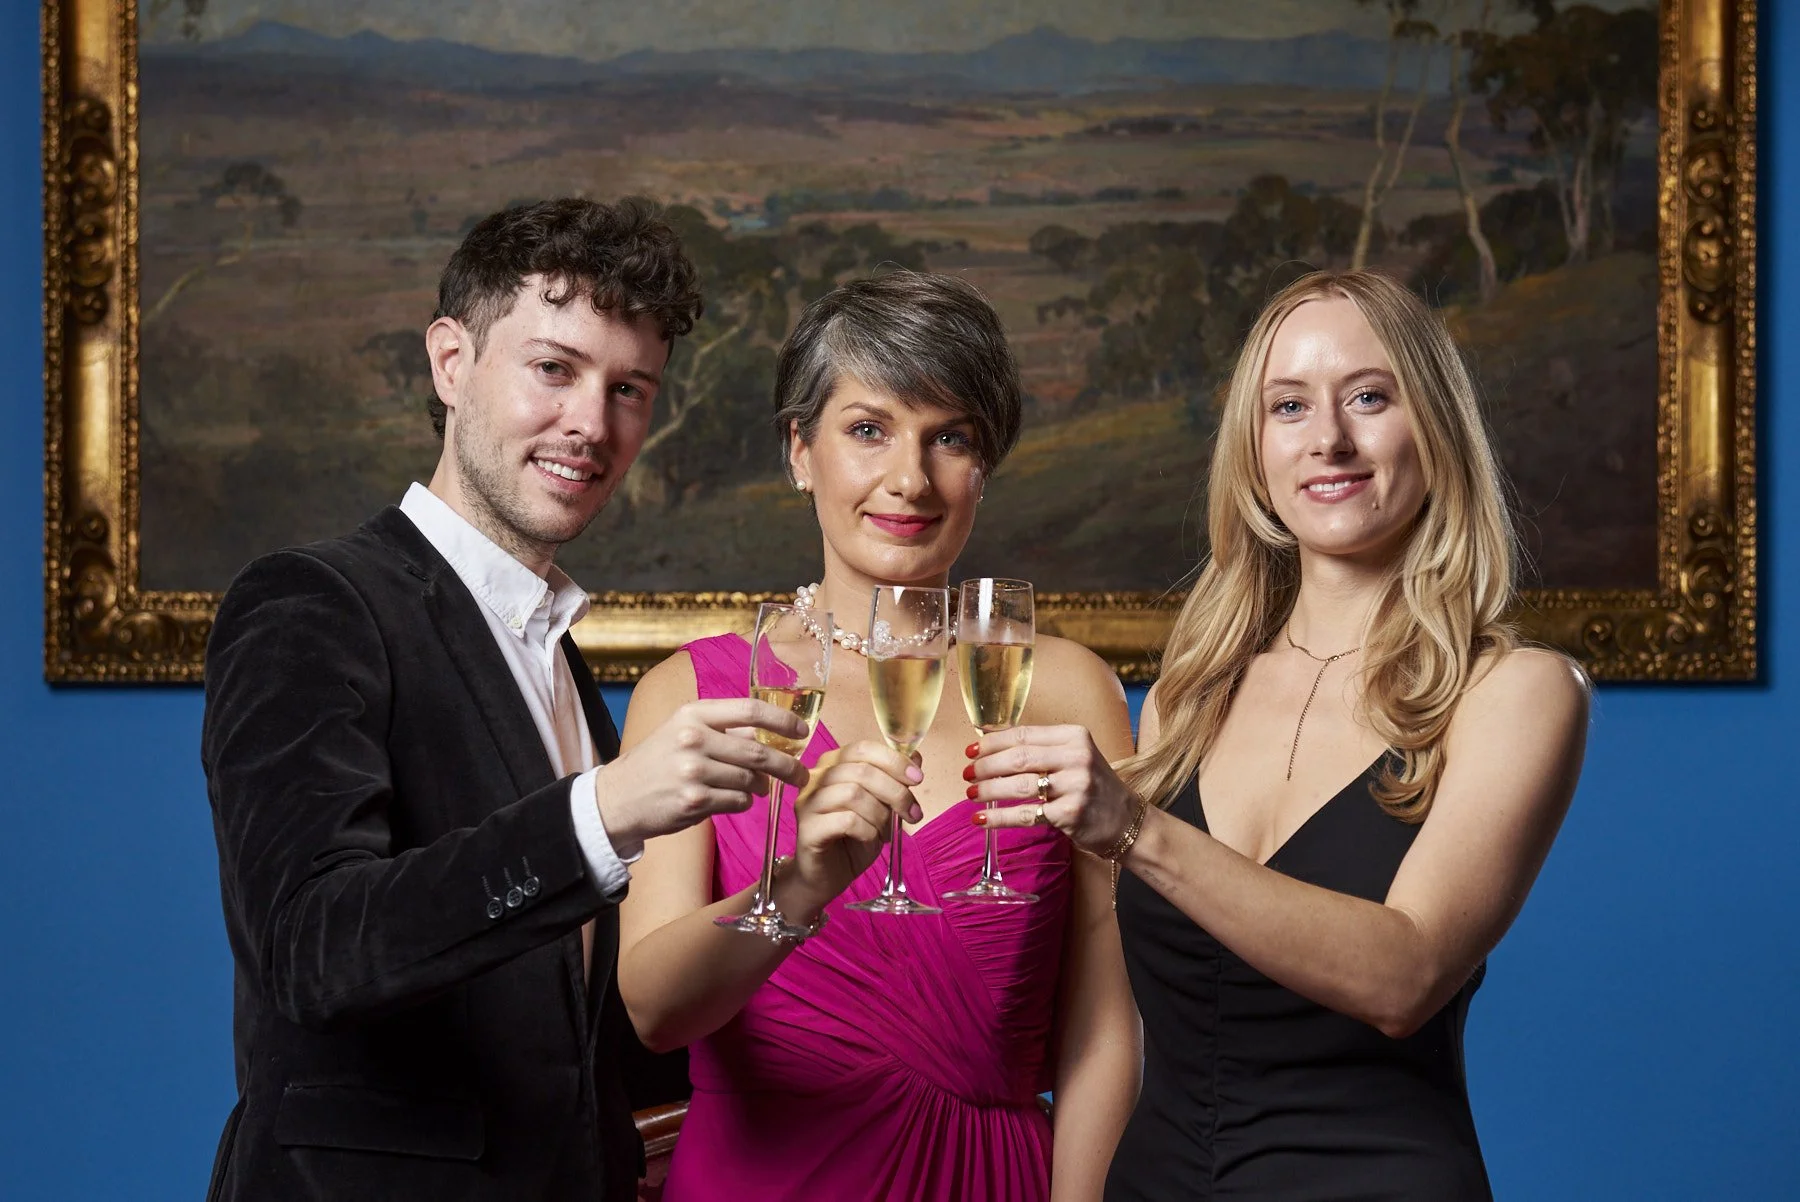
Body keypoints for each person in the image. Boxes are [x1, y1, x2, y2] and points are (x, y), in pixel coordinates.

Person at [200, 198, 817, 1202]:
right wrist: (609, 809)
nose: (592, 420)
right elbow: (314, 946)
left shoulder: (552, 653)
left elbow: (568, 1020)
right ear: (452, 362)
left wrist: (804, 888)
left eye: (630, 388)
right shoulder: (310, 604)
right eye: (554, 368)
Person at [970, 269, 1589, 1199]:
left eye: (1370, 398)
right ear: (1254, 450)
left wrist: (1135, 829)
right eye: (1289, 406)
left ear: (1437, 427)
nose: (1329, 439)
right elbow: (1114, 1024)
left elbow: (1404, 974)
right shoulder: (1196, 688)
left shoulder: (1518, 691)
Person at [616, 270, 1143, 1201]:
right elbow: (657, 1009)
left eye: (951, 438)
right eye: (869, 430)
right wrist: (804, 881)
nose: (911, 477)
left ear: (984, 466)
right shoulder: (695, 694)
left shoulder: (1067, 688)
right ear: (800, 452)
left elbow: (1111, 1018)